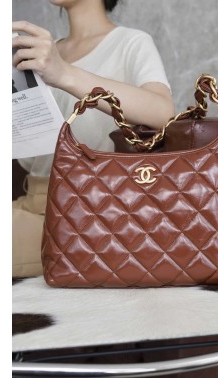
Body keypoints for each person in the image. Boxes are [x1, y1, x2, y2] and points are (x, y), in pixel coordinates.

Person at [12, 0, 174, 277]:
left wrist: (63, 73)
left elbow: (163, 112)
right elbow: (30, 154)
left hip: (93, 213)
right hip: (32, 201)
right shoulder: (37, 53)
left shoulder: (130, 42)